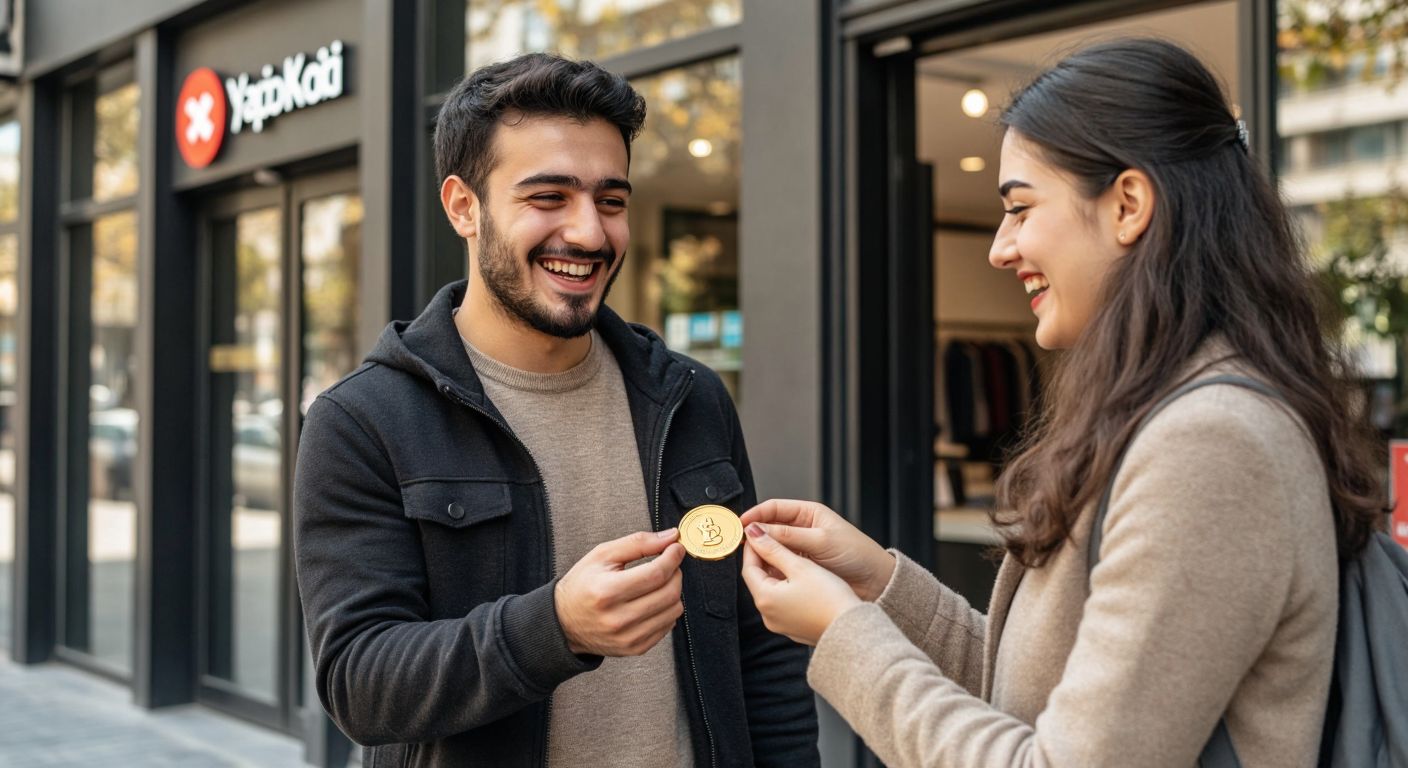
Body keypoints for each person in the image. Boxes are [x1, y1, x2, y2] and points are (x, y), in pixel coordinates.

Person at [738, 38, 1384, 767]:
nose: (1000, 248)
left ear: (1129, 205)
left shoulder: (1212, 441)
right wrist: (878, 585)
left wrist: (843, 632)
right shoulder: (1172, 411)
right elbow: (1038, 694)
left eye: (1020, 208)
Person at [294, 53, 818, 768]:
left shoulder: (689, 398)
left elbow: (759, 649)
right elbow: (360, 684)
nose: (591, 234)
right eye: (548, 197)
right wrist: (556, 628)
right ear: (462, 207)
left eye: (611, 200)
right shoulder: (363, 422)